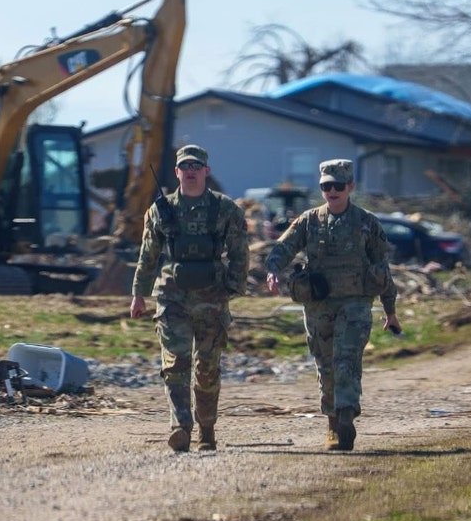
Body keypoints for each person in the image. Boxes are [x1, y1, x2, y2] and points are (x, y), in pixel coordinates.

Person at [264, 159, 401, 451]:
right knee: (325, 364)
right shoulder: (309, 221)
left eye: (338, 186)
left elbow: (381, 270)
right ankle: (333, 423)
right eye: (327, 186)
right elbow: (284, 248)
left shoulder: (367, 223)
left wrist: (390, 312)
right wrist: (273, 269)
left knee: (346, 360)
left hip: (356, 304)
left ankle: (346, 415)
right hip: (319, 306)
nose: (332, 191)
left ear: (350, 187)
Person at [130, 144, 249, 452]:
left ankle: (206, 428)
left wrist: (233, 288)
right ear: (177, 172)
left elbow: (239, 253)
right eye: (186, 166)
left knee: (207, 368)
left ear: (206, 171)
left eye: (197, 166)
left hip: (212, 300)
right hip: (172, 299)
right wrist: (138, 294)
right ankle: (180, 426)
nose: (191, 171)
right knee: (175, 364)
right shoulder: (160, 210)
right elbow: (148, 254)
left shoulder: (226, 209)